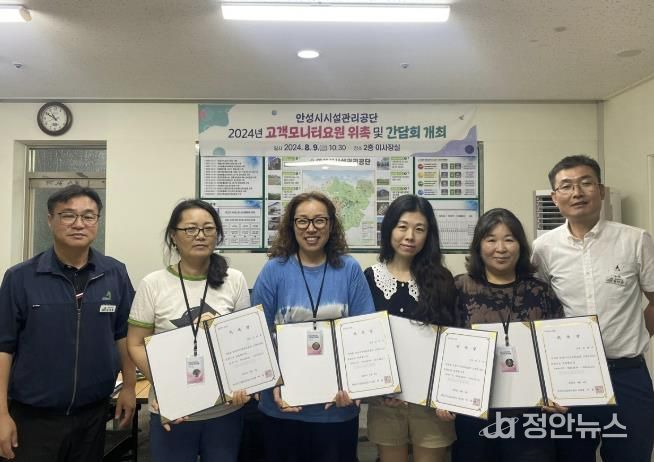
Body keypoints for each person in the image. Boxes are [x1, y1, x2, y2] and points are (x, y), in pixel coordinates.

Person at [0, 184, 136, 462]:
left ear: (97, 221)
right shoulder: (21, 278)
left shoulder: (114, 273)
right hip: (33, 418)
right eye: (68, 215)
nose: (79, 224)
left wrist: (130, 387)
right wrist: (1, 414)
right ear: (50, 220)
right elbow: (4, 348)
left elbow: (124, 335)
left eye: (88, 216)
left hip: (93, 415)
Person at [532, 155, 654, 462]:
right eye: (566, 186)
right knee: (571, 456)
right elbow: (538, 309)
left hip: (627, 374)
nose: (577, 192)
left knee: (631, 456)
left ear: (601, 190)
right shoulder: (543, 248)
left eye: (585, 183)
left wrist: (636, 336)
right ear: (554, 197)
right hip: (570, 378)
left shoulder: (634, 240)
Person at [251, 191, 375, 462]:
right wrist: (272, 381)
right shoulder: (274, 270)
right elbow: (257, 335)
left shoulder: (349, 269)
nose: (311, 228)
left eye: (319, 220)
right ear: (291, 225)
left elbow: (364, 333)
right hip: (283, 408)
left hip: (336, 409)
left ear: (331, 225)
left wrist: (357, 384)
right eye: (302, 221)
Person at [126, 199, 251, 462]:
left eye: (208, 228)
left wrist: (244, 382)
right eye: (190, 229)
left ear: (217, 234)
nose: (200, 235)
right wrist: (165, 385)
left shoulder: (235, 280)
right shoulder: (153, 284)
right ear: (174, 236)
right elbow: (135, 343)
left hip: (224, 411)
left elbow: (243, 341)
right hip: (173, 409)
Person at [452, 208, 563, 462]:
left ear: (520, 246)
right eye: (491, 240)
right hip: (475, 411)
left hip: (530, 413)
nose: (500, 248)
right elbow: (447, 344)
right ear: (478, 246)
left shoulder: (540, 292)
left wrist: (558, 392)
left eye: (509, 239)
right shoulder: (460, 288)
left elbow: (555, 349)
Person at [364, 194, 457, 462]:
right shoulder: (369, 278)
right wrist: (383, 389)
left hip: (430, 404)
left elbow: (451, 340)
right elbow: (363, 341)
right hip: (386, 402)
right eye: (402, 227)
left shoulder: (442, 279)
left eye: (419, 229)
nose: (410, 236)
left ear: (429, 235)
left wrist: (448, 394)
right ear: (389, 229)